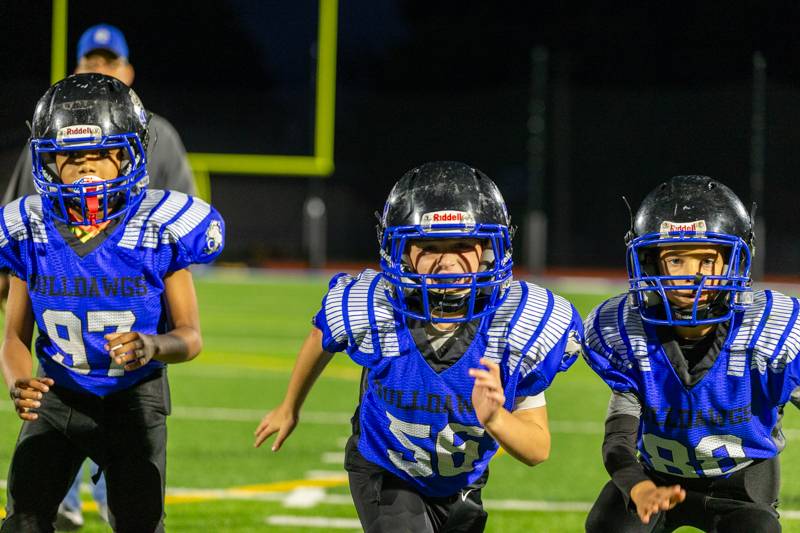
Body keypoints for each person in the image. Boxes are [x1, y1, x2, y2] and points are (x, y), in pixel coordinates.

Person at [254, 161, 582, 532]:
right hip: (385, 469)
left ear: (490, 248)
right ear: (402, 251)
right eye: (428, 246)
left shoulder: (516, 325)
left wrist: (495, 418)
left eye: (461, 244)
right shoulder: (372, 307)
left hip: (460, 485)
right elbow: (321, 335)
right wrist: (289, 406)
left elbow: (538, 449)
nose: (446, 263)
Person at [0, 73, 225, 533]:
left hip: (134, 397)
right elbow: (14, 336)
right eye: (71, 158)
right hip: (59, 393)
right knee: (23, 518)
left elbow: (191, 337)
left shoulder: (157, 229)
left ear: (127, 157)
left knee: (139, 522)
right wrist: (19, 380)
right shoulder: (32, 231)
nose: (86, 170)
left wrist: (154, 345)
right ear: (48, 162)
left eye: (100, 156)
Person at [583, 175, 789, 533]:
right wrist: (639, 486)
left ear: (733, 262)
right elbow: (618, 441)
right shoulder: (626, 331)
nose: (690, 276)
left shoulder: (770, 330)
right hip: (655, 478)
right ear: (650, 264)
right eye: (676, 259)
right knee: (610, 525)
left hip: (741, 488)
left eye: (706, 260)